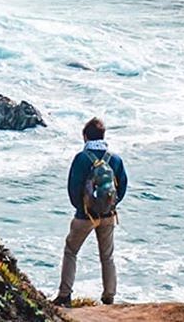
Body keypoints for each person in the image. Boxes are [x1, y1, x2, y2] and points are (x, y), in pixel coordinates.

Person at [53, 117, 128, 307]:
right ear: (103, 136)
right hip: (109, 216)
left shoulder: (82, 158)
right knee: (107, 256)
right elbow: (123, 186)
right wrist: (111, 205)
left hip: (85, 216)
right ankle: (109, 296)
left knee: (71, 251)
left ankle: (65, 295)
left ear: (85, 136)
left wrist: (82, 209)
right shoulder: (115, 159)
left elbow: (73, 188)